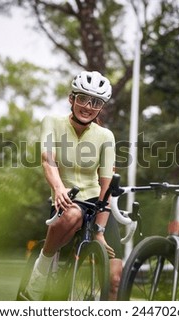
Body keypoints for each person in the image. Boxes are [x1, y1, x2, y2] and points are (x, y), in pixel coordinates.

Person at [18, 70, 123, 301]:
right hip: (67, 198)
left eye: (95, 102)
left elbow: (106, 185)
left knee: (115, 278)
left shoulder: (105, 136)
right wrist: (58, 188)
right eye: (83, 98)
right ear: (71, 98)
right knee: (73, 214)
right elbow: (48, 159)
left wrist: (100, 232)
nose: (88, 106)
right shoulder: (52, 122)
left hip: (99, 205)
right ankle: (41, 270)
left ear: (101, 107)